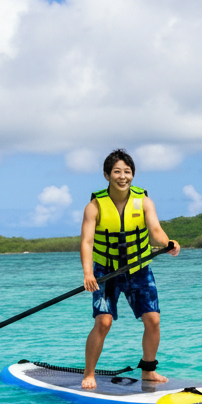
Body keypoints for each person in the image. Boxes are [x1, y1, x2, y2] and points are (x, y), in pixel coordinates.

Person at [80, 149, 180, 389]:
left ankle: (148, 371)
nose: (122, 176)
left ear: (132, 174)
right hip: (106, 271)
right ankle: (89, 373)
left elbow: (155, 231)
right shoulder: (94, 206)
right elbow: (87, 242)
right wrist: (88, 273)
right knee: (103, 322)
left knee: (153, 320)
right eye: (117, 172)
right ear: (107, 175)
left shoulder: (144, 201)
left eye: (127, 171)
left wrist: (168, 243)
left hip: (139, 268)